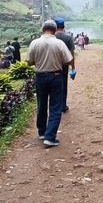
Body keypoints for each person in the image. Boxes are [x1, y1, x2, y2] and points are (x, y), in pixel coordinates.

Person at [27, 19, 73, 148]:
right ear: (54, 30)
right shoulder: (59, 43)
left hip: (40, 76)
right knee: (55, 107)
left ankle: (42, 132)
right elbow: (68, 59)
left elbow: (29, 62)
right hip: (56, 76)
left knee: (41, 104)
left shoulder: (34, 43)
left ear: (42, 29)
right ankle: (50, 137)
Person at [53, 17, 75, 113]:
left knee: (53, 86)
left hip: (52, 65)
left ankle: (54, 106)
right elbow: (71, 54)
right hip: (64, 65)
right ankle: (62, 105)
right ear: (63, 26)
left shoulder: (51, 38)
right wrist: (73, 68)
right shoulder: (68, 38)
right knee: (63, 85)